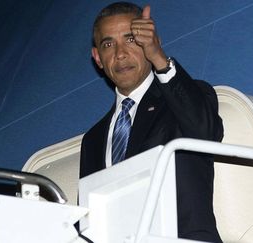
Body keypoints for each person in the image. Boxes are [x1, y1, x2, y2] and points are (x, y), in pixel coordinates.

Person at [79, 2, 223, 242]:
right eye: (108, 44)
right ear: (98, 58)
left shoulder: (185, 100)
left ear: (150, 41)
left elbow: (206, 132)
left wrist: (159, 58)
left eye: (131, 39)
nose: (120, 53)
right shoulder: (92, 140)